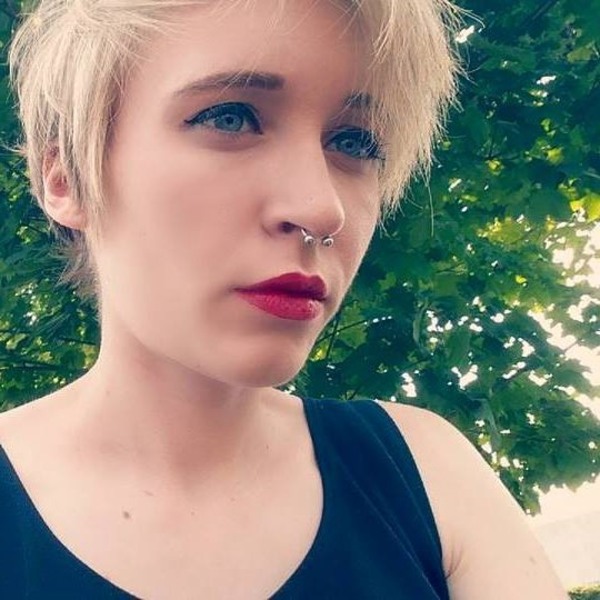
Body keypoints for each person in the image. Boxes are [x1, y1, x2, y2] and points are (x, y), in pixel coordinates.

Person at [0, 0, 568, 598]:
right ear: (65, 178)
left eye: (355, 142)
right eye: (230, 118)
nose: (322, 209)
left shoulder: (424, 475)